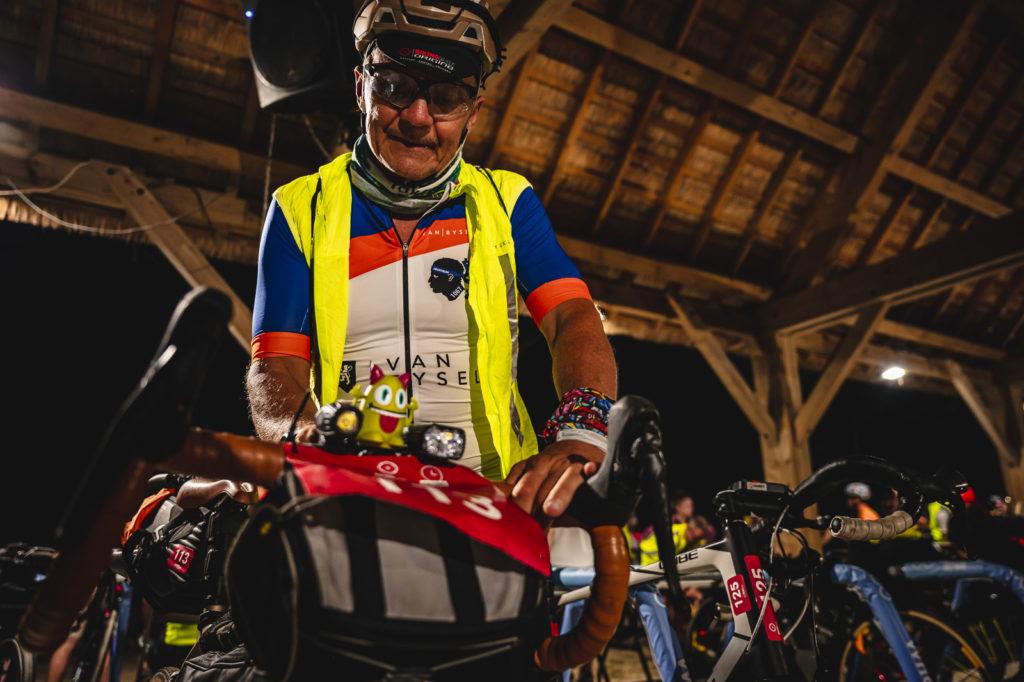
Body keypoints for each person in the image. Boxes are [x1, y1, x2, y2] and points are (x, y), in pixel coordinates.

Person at [244, 0, 617, 521]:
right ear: (361, 88)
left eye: (446, 98)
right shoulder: (299, 207)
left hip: (496, 501)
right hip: (354, 498)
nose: (419, 117)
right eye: (394, 87)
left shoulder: (507, 201)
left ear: (473, 113)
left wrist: (581, 427)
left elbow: (571, 316)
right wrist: (308, 436)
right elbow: (275, 367)